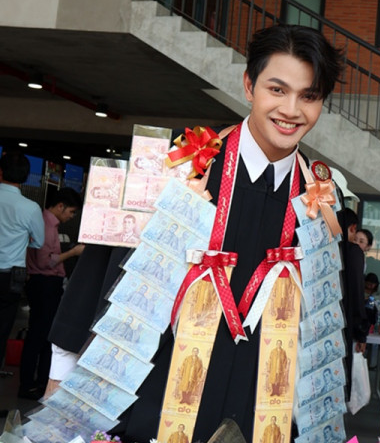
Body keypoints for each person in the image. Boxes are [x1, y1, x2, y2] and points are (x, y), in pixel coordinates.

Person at [46, 24, 345, 443]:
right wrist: (60, 378)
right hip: (154, 400)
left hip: (261, 410)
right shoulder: (179, 163)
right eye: (277, 90)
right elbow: (97, 273)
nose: (291, 109)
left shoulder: (319, 200)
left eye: (309, 96)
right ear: (249, 85)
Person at [20, 187, 84, 399]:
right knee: (40, 335)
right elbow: (45, 262)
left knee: (41, 334)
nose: (71, 217)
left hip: (44, 283)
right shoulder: (46, 226)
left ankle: (38, 382)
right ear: (60, 206)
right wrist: (73, 252)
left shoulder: (47, 223)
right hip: (44, 283)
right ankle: (29, 384)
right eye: (71, 212)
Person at [0, 151, 44, 373]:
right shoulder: (30, 207)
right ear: (26, 177)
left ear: (0, 172)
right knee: (2, 329)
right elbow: (39, 242)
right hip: (11, 276)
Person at [336, 207, 368, 401]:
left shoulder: (327, 249)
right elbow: (357, 291)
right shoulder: (353, 252)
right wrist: (361, 331)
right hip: (344, 323)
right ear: (353, 227)